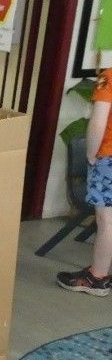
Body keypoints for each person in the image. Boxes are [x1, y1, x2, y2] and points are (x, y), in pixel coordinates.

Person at [57, 69, 112, 295]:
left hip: (108, 157)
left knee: (107, 219)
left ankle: (97, 278)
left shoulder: (109, 77)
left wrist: (91, 155)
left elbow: (98, 122)